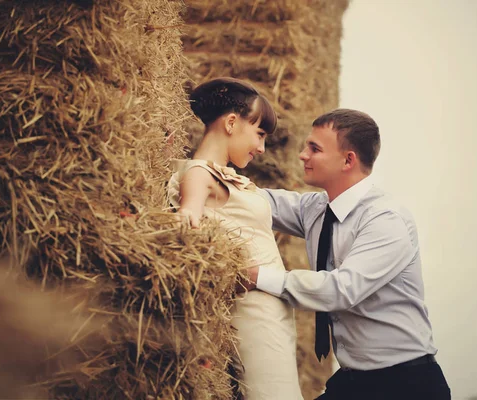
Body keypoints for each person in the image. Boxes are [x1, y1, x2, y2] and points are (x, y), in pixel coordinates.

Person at [244, 109, 451, 399]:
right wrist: (197, 171)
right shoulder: (315, 209)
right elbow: (253, 200)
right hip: (355, 382)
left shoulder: (385, 219)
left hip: (405, 385)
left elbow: (341, 290)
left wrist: (258, 277)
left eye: (314, 148)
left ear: (348, 160)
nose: (303, 155)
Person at [167, 77, 303, 400]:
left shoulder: (230, 178)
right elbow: (189, 218)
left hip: (272, 314)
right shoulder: (200, 173)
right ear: (231, 122)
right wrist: (186, 219)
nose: (261, 148)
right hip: (255, 315)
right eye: (259, 134)